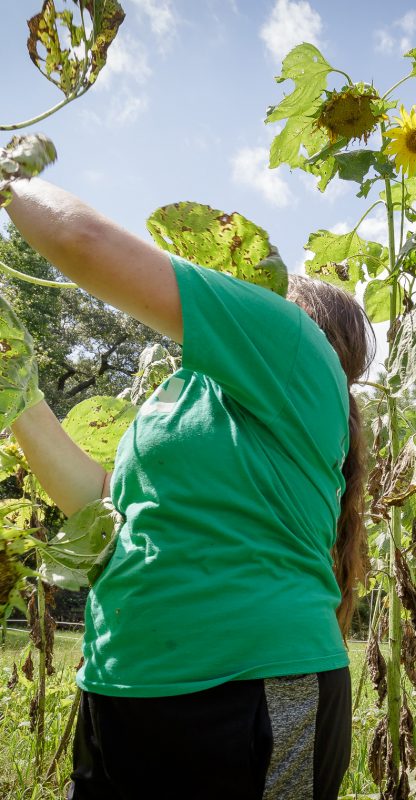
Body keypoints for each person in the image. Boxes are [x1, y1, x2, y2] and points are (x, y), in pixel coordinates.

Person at [2, 178, 375, 800]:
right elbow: (105, 510)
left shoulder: (295, 347)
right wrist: (20, 392)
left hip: (248, 689)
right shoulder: (183, 399)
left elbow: (81, 239)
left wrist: (10, 175)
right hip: (122, 684)